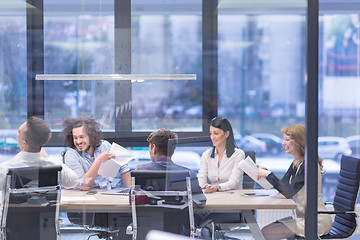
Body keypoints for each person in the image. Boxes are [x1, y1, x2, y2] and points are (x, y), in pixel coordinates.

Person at [257, 124, 332, 240]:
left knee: (267, 233)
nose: (283, 143)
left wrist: (268, 175)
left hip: (316, 221)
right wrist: (266, 172)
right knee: (264, 231)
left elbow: (287, 192)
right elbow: (284, 185)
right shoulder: (297, 162)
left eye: (287, 140)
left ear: (299, 142)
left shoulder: (309, 165)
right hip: (305, 218)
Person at [0, 116, 78, 217]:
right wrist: (47, 158)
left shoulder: (5, 169)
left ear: (24, 143)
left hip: (11, 230)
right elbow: (73, 181)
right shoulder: (53, 168)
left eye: (18, 133)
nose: (16, 135)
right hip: (45, 229)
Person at [135, 128, 207, 236]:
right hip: (179, 233)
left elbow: (134, 200)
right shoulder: (188, 174)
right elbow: (201, 202)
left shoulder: (141, 173)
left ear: (153, 148)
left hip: (147, 233)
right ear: (173, 150)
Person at [61, 117, 131, 189]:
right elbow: (84, 184)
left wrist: (129, 192)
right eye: (75, 138)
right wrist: (98, 160)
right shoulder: (71, 155)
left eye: (82, 137)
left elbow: (124, 168)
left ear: (91, 136)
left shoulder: (105, 146)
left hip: (106, 192)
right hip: (84, 196)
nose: (78, 141)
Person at [197, 117, 245, 193]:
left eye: (216, 133)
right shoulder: (206, 155)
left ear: (226, 134)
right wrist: (202, 188)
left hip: (234, 198)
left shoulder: (238, 154)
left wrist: (216, 187)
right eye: (211, 133)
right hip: (213, 197)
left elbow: (234, 182)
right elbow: (201, 179)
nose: (212, 137)